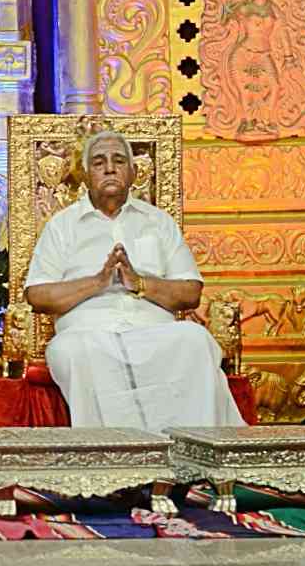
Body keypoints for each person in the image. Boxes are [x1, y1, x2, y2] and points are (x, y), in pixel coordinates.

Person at [23, 130, 245, 429]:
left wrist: (140, 283)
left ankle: (193, 450)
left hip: (154, 333)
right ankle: (113, 453)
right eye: (99, 162)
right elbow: (37, 295)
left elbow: (191, 292)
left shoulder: (159, 222)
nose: (110, 168)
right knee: (71, 350)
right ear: (86, 175)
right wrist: (98, 282)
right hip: (89, 334)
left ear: (133, 173)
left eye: (119, 161)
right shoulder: (61, 227)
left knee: (195, 340)